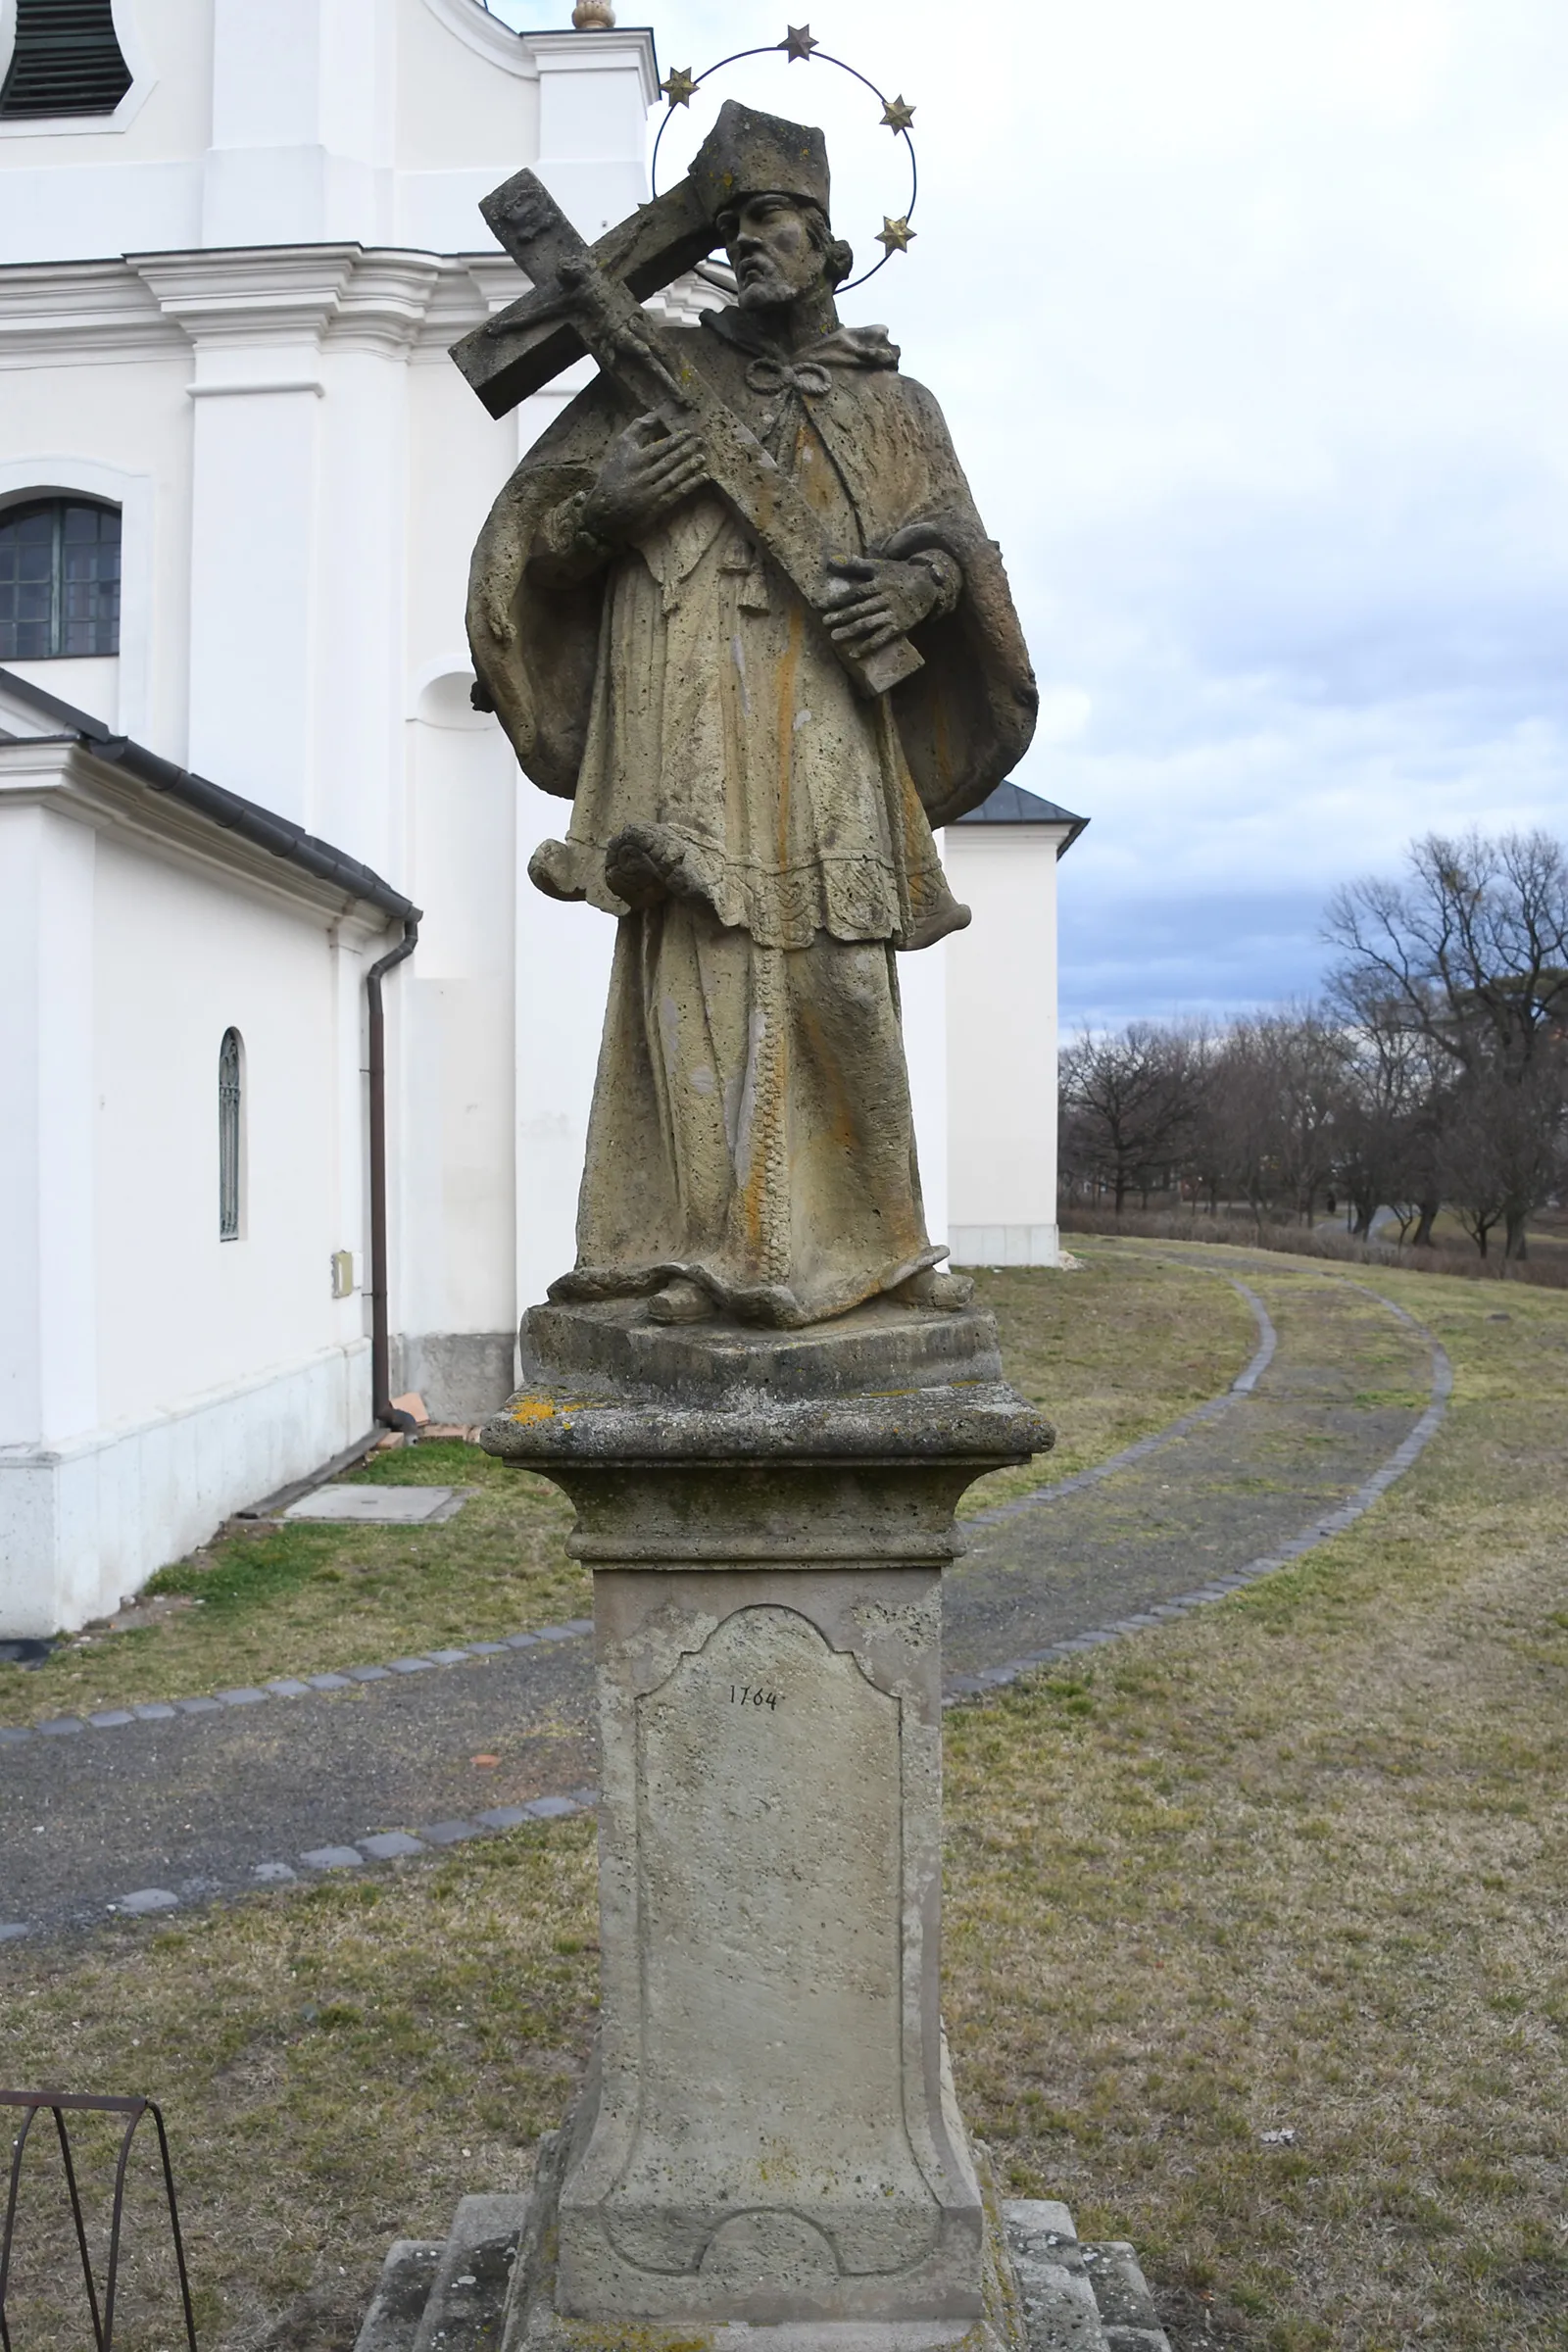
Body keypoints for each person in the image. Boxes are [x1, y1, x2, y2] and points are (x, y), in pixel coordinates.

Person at [468, 101, 1036, 1328]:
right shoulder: (652, 373)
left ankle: (886, 1243)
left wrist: (918, 583)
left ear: (833, 248)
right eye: (732, 225)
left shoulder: (896, 406)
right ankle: (694, 1250)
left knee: (841, 967)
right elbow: (529, 545)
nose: (749, 244)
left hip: (826, 705)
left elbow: (957, 549)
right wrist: (600, 513)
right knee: (701, 966)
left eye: (775, 220)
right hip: (685, 701)